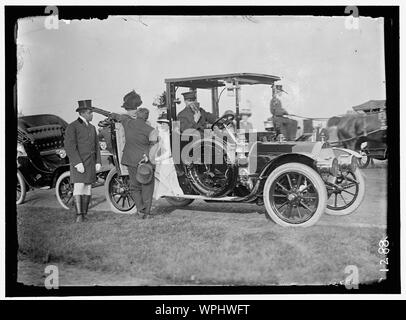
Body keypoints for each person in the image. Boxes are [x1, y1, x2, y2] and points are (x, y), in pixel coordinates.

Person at [110, 91, 157, 218]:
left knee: (135, 186)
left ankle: (140, 209)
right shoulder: (150, 129)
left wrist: (111, 115)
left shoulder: (127, 122)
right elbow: (153, 146)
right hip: (144, 160)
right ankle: (146, 212)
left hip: (131, 160)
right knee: (147, 186)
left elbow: (116, 116)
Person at [64, 100, 101, 223]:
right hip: (79, 163)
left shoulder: (92, 127)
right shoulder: (72, 126)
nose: (92, 115)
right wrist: (77, 163)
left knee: (88, 188)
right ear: (83, 113)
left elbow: (96, 147)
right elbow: (70, 147)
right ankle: (79, 215)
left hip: (90, 163)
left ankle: (85, 214)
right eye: (90, 113)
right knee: (79, 187)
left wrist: (98, 162)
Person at [151, 113, 184, 199]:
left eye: (164, 123)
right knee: (163, 176)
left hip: (167, 159)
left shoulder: (171, 135)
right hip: (164, 159)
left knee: (169, 177)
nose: (162, 125)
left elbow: (168, 150)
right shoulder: (160, 134)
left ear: (168, 125)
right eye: (161, 123)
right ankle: (170, 192)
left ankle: (174, 193)